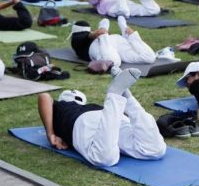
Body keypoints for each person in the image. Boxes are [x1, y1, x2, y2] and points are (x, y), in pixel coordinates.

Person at [37, 68, 166, 167]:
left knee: (104, 158)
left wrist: (51, 134)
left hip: (84, 123)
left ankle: (115, 94)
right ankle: (126, 97)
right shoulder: (91, 106)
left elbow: (44, 97)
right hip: (109, 116)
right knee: (155, 150)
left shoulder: (62, 107)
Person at [69, 17, 156, 67]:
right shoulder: (76, 40)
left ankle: (123, 31)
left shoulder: (83, 38)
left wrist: (96, 33)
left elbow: (85, 36)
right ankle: (127, 34)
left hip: (106, 43)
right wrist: (94, 34)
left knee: (113, 62)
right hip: (109, 44)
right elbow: (81, 38)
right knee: (149, 57)